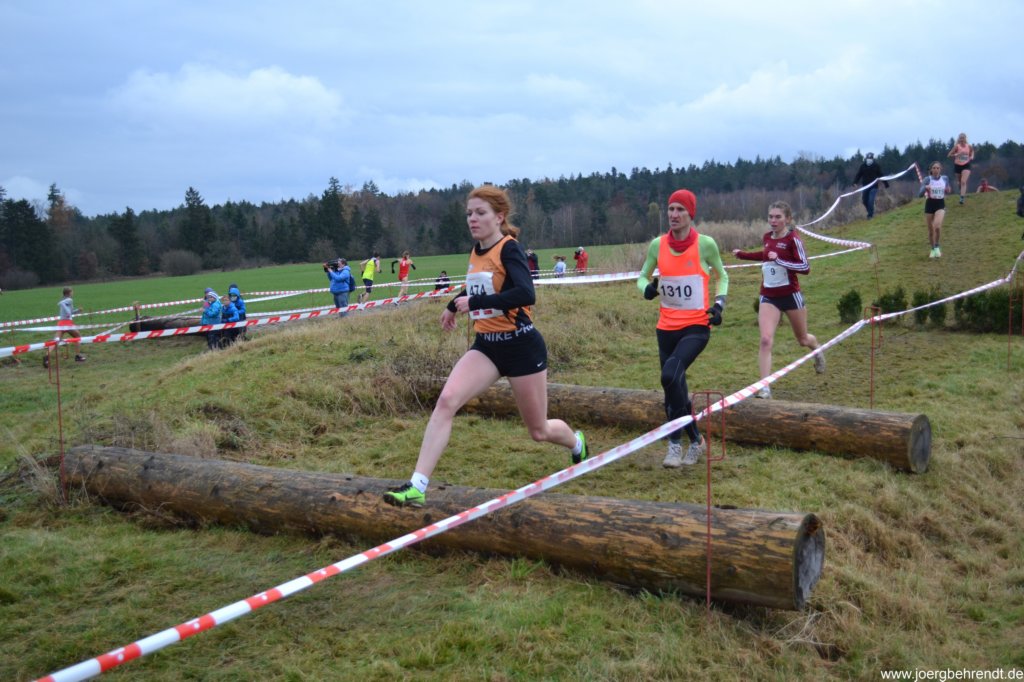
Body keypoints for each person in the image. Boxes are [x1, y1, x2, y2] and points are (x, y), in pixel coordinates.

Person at [383, 185, 589, 507]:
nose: (472, 219)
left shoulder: (510, 249)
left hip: (521, 347)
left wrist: (475, 302)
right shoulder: (476, 251)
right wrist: (452, 306)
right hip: (487, 347)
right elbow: (477, 287)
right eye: (469, 213)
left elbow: (526, 293)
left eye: (480, 213)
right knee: (446, 401)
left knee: (539, 430)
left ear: (499, 217)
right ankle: (417, 486)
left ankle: (576, 443)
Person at [638, 189, 729, 468]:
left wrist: (719, 304)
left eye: (680, 210)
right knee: (674, 386)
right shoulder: (657, 245)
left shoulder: (706, 244)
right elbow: (642, 277)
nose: (674, 215)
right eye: (671, 209)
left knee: (669, 375)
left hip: (696, 327)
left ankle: (675, 443)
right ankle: (695, 441)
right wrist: (647, 289)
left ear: (691, 214)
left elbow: (722, 276)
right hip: (665, 328)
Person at [733, 201, 825, 401]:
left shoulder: (793, 239)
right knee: (765, 340)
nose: (773, 220)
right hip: (769, 295)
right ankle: (764, 388)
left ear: (787, 219)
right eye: (771, 217)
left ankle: (817, 349)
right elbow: (765, 255)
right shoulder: (767, 237)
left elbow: (805, 267)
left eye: (778, 217)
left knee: (803, 339)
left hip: (791, 296)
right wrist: (743, 255)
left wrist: (780, 260)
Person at [44, 286, 87, 367]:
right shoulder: (69, 300)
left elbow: (71, 311)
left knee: (56, 341)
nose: (73, 293)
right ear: (69, 293)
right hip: (67, 323)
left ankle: (46, 356)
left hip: (61, 323)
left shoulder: (65, 300)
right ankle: (78, 356)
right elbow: (67, 311)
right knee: (77, 336)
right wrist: (68, 312)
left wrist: (78, 311)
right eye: (72, 291)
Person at [918, 162, 952, 258]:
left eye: (938, 168)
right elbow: (919, 194)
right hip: (930, 204)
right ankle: (932, 249)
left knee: (937, 226)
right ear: (931, 170)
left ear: (940, 169)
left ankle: (937, 246)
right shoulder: (927, 179)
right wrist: (925, 187)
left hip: (940, 204)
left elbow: (948, 189)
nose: (936, 170)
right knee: (930, 230)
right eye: (934, 168)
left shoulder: (945, 178)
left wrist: (948, 190)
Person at [852, 152, 889, 219]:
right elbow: (858, 175)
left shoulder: (876, 166)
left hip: (874, 187)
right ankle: (870, 211)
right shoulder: (863, 166)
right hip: (865, 186)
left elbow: (881, 175)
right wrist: (855, 182)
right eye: (868, 158)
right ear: (866, 158)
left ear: (872, 159)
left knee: (871, 201)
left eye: (870, 158)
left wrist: (886, 183)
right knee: (864, 201)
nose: (869, 160)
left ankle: (870, 215)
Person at [947, 132, 974, 204]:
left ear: (965, 139)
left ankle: (962, 198)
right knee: (959, 182)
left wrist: (971, 156)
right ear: (959, 139)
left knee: (963, 181)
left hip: (966, 165)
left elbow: (972, 152)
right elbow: (949, 155)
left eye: (963, 138)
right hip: (958, 165)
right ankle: (961, 192)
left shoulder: (969, 146)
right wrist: (956, 154)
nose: (962, 139)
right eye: (960, 138)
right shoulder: (957, 146)